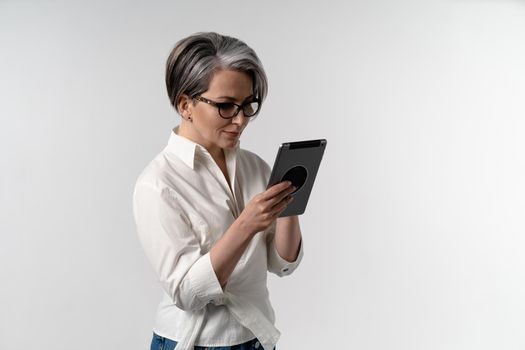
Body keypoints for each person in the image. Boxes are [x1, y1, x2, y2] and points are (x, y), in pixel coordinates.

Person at [132, 31, 304, 350]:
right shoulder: (157, 183)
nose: (240, 120)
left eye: (248, 105)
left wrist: (290, 208)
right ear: (186, 104)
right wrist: (246, 225)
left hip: (257, 336)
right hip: (191, 342)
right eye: (226, 106)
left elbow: (282, 264)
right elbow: (186, 294)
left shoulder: (255, 167)